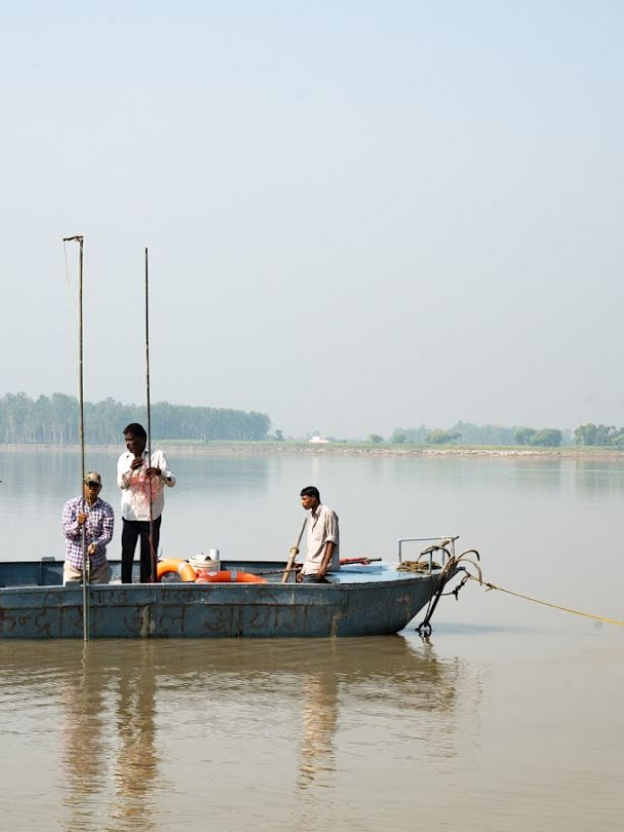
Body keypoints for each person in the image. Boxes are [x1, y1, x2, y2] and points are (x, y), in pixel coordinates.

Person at [117, 422, 176, 583]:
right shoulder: (124, 458)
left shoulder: (157, 456)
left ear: (142, 440)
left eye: (131, 440)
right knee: (127, 556)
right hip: (130, 517)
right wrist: (131, 470)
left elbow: (172, 481)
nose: (128, 444)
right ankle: (125, 588)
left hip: (151, 517)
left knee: (148, 559)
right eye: (126, 440)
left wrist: (159, 472)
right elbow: (121, 484)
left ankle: (147, 588)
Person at [62, 472, 114, 584]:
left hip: (98, 566)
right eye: (89, 484)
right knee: (70, 598)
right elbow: (66, 531)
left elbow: (107, 534)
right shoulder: (71, 505)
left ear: (100, 488)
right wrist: (78, 523)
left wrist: (96, 544)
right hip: (74, 564)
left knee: (101, 598)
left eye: (95, 485)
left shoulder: (107, 508)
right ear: (83, 486)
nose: (92, 488)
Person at [298, 486, 340, 583]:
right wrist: (303, 570)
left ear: (313, 498)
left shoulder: (328, 513)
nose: (302, 503)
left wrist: (324, 566)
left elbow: (332, 541)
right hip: (310, 569)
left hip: (320, 569)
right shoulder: (311, 518)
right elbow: (311, 548)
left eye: (304, 499)